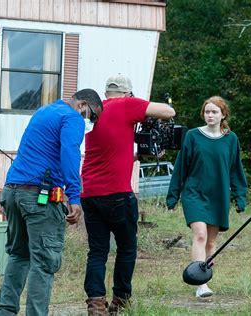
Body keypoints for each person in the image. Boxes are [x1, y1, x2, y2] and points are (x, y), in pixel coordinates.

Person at [0, 89, 103, 316]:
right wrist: (74, 196)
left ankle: (4, 312)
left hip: (13, 191)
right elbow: (70, 154)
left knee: (18, 255)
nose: (89, 121)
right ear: (82, 104)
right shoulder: (72, 117)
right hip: (38, 198)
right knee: (43, 263)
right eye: (91, 116)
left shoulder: (46, 111)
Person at [80, 74, 175, 315]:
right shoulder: (126, 105)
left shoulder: (95, 112)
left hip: (89, 192)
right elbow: (168, 112)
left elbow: (110, 149)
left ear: (106, 93)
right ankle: (120, 300)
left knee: (98, 251)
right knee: (126, 248)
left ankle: (95, 304)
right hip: (117, 193)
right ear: (127, 93)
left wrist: (134, 154)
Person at [166, 96, 248, 298]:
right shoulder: (193, 136)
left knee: (211, 243)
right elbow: (181, 167)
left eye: (214, 112)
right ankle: (199, 284)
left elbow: (236, 170)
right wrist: (173, 195)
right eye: (207, 112)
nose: (210, 115)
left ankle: (206, 279)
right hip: (194, 193)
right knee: (200, 235)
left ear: (223, 115)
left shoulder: (231, 139)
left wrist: (240, 196)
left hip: (218, 195)